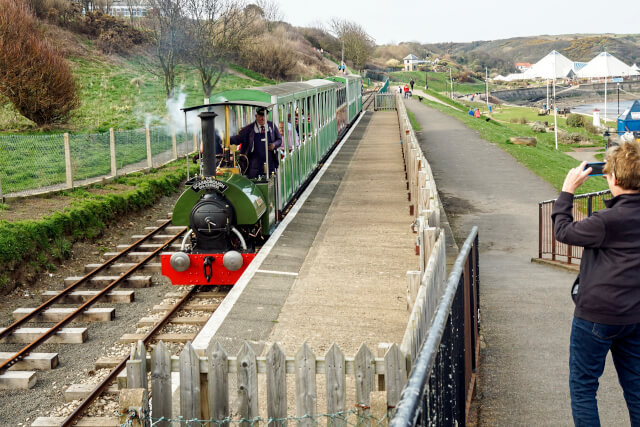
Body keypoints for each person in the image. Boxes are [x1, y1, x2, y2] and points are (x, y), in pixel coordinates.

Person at [552, 143, 640, 426]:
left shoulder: (606, 221)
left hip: (596, 316)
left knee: (584, 388)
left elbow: (562, 231)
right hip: (634, 316)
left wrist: (567, 191)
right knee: (637, 390)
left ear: (612, 178)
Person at [231, 107, 282, 179]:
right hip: (254, 165)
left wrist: (274, 145)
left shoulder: (272, 126)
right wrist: (226, 139)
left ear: (267, 116)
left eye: (265, 116)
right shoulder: (249, 129)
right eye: (261, 116)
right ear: (256, 116)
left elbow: (279, 140)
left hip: (270, 164)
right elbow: (238, 139)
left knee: (271, 182)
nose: (263, 118)